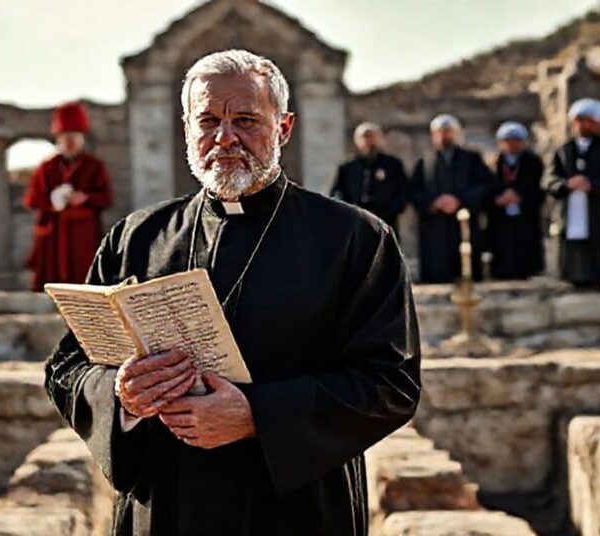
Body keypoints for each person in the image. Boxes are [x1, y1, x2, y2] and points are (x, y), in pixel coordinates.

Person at [44, 49, 421, 536]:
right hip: (166, 507)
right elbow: (68, 367)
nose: (224, 138)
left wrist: (257, 416)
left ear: (283, 128)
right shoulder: (136, 238)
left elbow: (392, 385)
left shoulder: (355, 239)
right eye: (207, 122)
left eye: (245, 120)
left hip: (297, 511)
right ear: (187, 129)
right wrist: (123, 399)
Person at [22, 102, 113, 290]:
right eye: (65, 138)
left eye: (74, 137)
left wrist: (85, 198)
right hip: (53, 235)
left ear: (82, 139)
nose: (69, 143)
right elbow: (32, 200)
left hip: (83, 235)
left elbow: (106, 198)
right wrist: (53, 201)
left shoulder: (94, 166)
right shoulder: (47, 168)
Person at [545, 98, 600, 289]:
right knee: (574, 245)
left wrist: (593, 185)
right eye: (580, 120)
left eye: (589, 121)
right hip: (571, 208)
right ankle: (573, 277)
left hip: (597, 209)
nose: (583, 125)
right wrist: (566, 184)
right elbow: (549, 179)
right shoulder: (564, 150)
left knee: (599, 245)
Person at [409, 114, 490, 283]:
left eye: (448, 131)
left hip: (463, 222)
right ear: (433, 135)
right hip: (435, 226)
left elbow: (484, 185)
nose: (444, 136)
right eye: (440, 132)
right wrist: (434, 202)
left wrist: (459, 200)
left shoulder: (471, 159)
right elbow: (414, 191)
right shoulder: (424, 162)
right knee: (437, 272)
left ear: (457, 133)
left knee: (466, 271)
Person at [484, 122, 545, 280]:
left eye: (516, 140)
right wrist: (498, 200)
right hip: (501, 216)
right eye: (508, 140)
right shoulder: (492, 163)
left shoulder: (533, 162)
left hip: (524, 213)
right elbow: (485, 188)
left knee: (525, 245)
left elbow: (540, 188)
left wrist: (521, 197)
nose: (512, 144)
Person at [330, 122, 408, 233]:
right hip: (355, 222)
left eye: (372, 136)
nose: (368, 141)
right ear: (357, 140)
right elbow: (337, 193)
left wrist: (389, 212)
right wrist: (347, 210)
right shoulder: (347, 168)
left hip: (385, 222)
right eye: (364, 137)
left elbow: (402, 192)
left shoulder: (393, 165)